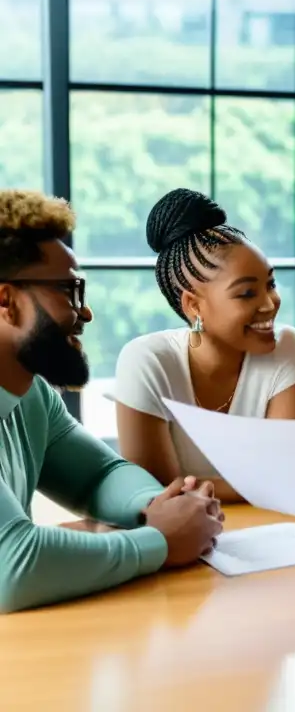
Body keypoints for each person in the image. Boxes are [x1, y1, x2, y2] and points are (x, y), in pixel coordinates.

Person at [0, 189, 222, 613]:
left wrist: (159, 506)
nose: (84, 314)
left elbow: (98, 475)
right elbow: (11, 567)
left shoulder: (30, 395)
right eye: (68, 291)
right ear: (7, 301)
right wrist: (160, 541)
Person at [114, 188, 295, 503]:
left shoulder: (285, 346)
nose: (270, 303)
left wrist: (192, 487)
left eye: (270, 284)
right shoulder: (146, 361)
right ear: (193, 306)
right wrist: (264, 485)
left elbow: (285, 477)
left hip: (272, 531)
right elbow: (154, 494)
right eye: (247, 293)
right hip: (180, 539)